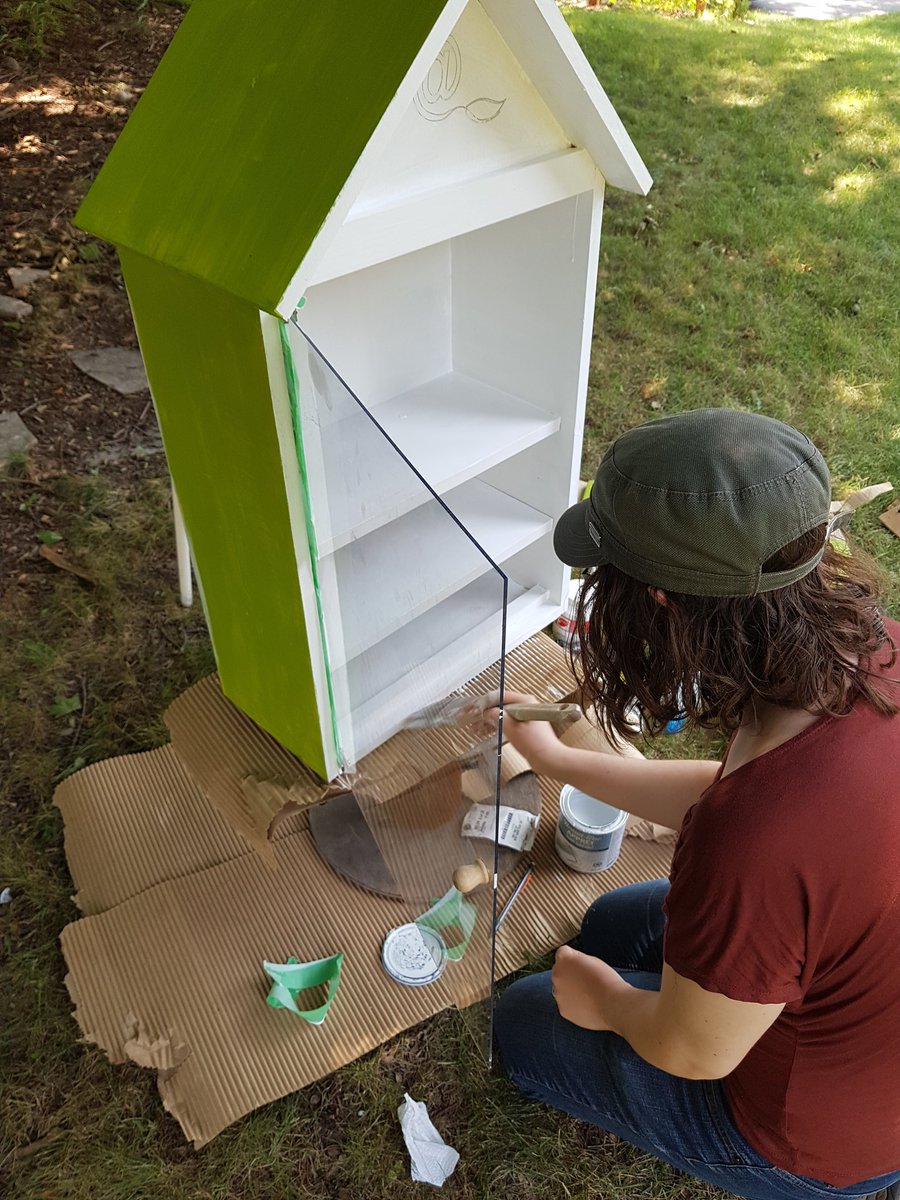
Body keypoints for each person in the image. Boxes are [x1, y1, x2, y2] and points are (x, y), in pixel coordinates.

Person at [491, 409, 900, 1200]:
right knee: (612, 923)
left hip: (820, 1137)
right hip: (865, 991)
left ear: (660, 601)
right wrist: (561, 758)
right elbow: (741, 798)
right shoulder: (871, 650)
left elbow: (696, 1053)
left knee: (530, 1016)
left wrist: (608, 1003)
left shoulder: (756, 838)